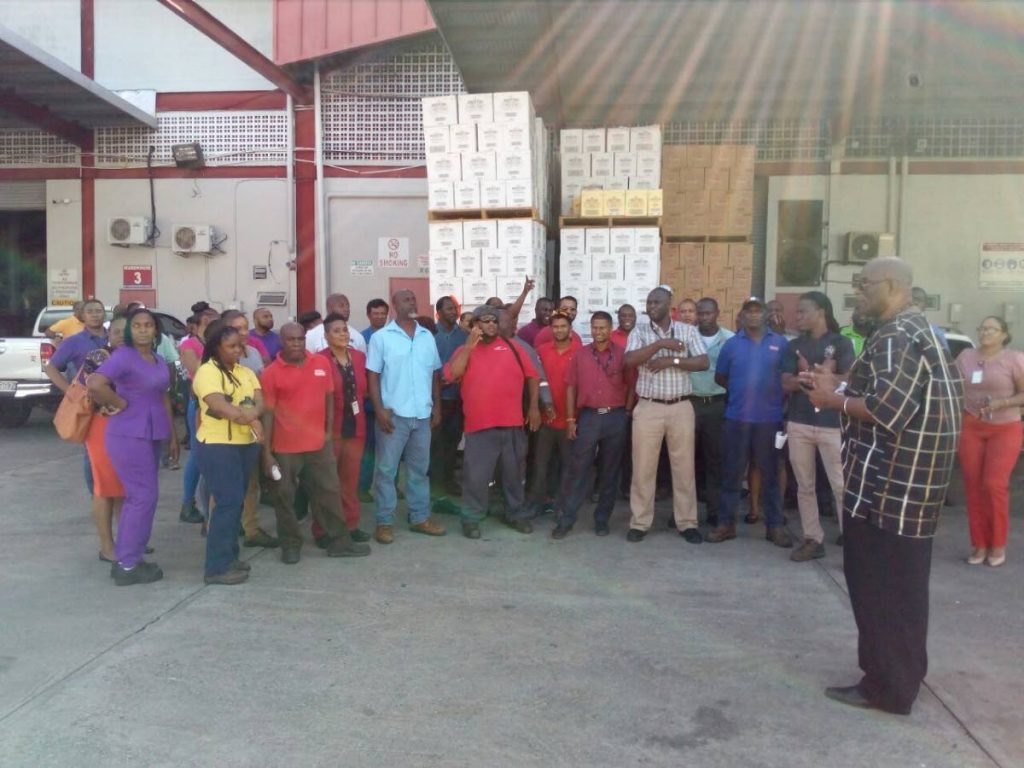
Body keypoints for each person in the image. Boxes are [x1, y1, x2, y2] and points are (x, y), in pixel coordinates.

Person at [805, 256, 963, 716]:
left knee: (880, 591)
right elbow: (884, 392)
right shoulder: (922, 332)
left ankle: (887, 687)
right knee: (904, 592)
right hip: (913, 489)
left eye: (863, 283)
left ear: (892, 286)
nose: (858, 292)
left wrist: (830, 399)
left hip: (887, 489)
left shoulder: (894, 336)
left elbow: (888, 411)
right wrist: (838, 382)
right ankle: (902, 675)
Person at [260, 323, 371, 563]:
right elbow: (267, 414)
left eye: (300, 339)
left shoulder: (320, 364)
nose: (297, 344)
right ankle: (290, 545)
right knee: (285, 498)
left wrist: (328, 432)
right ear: (282, 341)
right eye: (291, 340)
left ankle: (340, 542)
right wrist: (267, 453)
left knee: (330, 493)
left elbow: (329, 397)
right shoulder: (271, 373)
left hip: (318, 445)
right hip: (285, 448)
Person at [88, 308, 179, 585]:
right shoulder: (124, 356)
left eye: (148, 325)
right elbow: (95, 382)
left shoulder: (157, 358)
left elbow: (162, 395)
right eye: (137, 325)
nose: (142, 329)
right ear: (130, 330)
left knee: (140, 497)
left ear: (155, 330)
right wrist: (119, 403)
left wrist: (173, 435)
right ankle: (127, 563)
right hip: (128, 433)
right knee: (142, 496)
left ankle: (131, 556)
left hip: (152, 432)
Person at [445, 305, 541, 538]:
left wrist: (534, 407)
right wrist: (469, 346)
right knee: (476, 477)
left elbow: (532, 377)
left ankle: (514, 514)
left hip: (512, 425)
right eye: (485, 321)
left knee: (513, 475)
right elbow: (452, 375)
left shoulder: (513, 347)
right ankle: (471, 517)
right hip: (480, 427)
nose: (491, 325)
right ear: (475, 325)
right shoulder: (464, 350)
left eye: (494, 321)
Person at [624, 287, 709, 542]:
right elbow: (628, 361)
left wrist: (671, 361)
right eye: (649, 301)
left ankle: (687, 522)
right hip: (649, 406)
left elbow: (703, 362)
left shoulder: (687, 330)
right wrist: (660, 344)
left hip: (681, 407)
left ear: (669, 304)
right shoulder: (639, 331)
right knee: (643, 468)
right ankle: (640, 522)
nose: (652, 305)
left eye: (657, 301)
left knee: (684, 468)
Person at [708, 297, 791, 547]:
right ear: (742, 316)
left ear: (765, 314)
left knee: (771, 476)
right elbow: (722, 377)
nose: (753, 315)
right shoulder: (731, 345)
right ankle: (726, 524)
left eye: (758, 311)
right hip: (737, 419)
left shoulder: (781, 343)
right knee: (731, 474)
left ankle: (774, 526)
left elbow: (787, 379)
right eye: (749, 311)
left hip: (769, 420)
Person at [366, 290, 445, 544]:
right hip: (394, 416)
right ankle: (384, 522)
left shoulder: (426, 337)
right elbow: (373, 376)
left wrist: (437, 407)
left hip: (422, 415)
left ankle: (420, 517)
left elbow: (434, 373)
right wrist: (379, 410)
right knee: (387, 472)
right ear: (394, 305)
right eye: (405, 300)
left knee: (419, 471)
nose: (411, 302)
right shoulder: (381, 338)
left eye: (413, 299)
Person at [781, 292, 855, 561]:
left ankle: (855, 539)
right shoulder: (793, 346)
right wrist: (813, 377)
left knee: (840, 484)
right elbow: (785, 382)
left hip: (832, 423)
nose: (797, 316)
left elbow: (849, 380)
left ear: (821, 312)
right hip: (799, 422)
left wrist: (824, 376)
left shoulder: (841, 343)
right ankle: (813, 539)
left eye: (803, 311)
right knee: (804, 485)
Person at [192, 321, 264, 585]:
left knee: (237, 502)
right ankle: (216, 567)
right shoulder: (207, 372)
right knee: (227, 502)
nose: (237, 350)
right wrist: (251, 419)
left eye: (239, 346)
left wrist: (253, 416)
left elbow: (259, 400)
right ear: (216, 348)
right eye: (231, 346)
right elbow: (220, 406)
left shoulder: (245, 372)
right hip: (217, 445)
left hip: (245, 444)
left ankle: (230, 556)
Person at [552, 311, 632, 538]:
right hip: (588, 418)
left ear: (610, 328)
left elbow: (631, 384)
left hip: (615, 418)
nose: (598, 332)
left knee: (610, 471)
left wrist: (626, 412)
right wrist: (570, 419)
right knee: (578, 470)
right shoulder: (581, 355)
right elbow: (570, 387)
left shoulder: (622, 355)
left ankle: (601, 519)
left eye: (603, 328)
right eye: (595, 328)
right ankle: (566, 519)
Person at [955, 316, 1024, 568]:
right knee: (973, 486)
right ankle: (979, 544)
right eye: (982, 328)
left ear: (1004, 335)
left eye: (991, 329)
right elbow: (953, 387)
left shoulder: (1015, 359)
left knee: (993, 484)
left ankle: (997, 544)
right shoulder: (966, 356)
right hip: (971, 425)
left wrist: (1002, 403)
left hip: (1005, 427)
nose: (985, 332)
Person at [221, 310, 278, 548]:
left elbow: (260, 389)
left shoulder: (253, 353)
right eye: (238, 328)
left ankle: (251, 528)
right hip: (226, 430)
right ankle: (223, 531)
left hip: (253, 426)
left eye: (245, 328)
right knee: (224, 486)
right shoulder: (217, 359)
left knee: (251, 482)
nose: (244, 333)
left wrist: (257, 416)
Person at [315, 313, 372, 544]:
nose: (343, 334)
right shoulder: (319, 360)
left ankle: (350, 525)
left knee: (350, 481)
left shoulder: (359, 357)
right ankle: (322, 530)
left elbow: (365, 389)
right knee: (327, 483)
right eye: (337, 330)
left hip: (355, 428)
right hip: (331, 429)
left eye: (345, 330)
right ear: (327, 336)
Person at [45, 298, 109, 495]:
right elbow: (51, 368)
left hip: (115, 400)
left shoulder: (114, 338)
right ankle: (97, 495)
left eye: (99, 311)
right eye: (91, 311)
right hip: (88, 402)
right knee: (91, 452)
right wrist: (70, 391)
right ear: (82, 316)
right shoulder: (74, 341)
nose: (96, 314)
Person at [82, 316, 126, 563]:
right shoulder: (99, 356)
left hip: (127, 426)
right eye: (116, 331)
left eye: (124, 332)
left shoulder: (137, 357)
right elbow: (97, 392)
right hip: (103, 426)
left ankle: (127, 539)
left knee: (122, 487)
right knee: (104, 487)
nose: (120, 336)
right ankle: (107, 547)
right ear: (108, 334)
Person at [530, 312, 579, 517]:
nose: (559, 330)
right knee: (541, 466)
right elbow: (536, 380)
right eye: (555, 327)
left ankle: (564, 508)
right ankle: (537, 504)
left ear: (571, 329)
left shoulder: (580, 352)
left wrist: (573, 419)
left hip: (570, 419)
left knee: (569, 467)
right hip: (546, 419)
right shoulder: (541, 350)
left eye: (563, 326)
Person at [690, 298, 734, 529]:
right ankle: (686, 514)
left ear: (717, 313)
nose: (705, 317)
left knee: (715, 460)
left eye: (709, 313)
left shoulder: (730, 339)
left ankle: (715, 511)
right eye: (701, 313)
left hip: (717, 404)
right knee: (687, 461)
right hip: (691, 403)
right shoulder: (687, 336)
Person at [178, 305, 220, 525]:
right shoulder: (189, 345)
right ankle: (188, 503)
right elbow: (198, 372)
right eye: (209, 320)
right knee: (197, 453)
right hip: (200, 402)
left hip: (217, 402)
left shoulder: (214, 344)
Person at [431, 296, 468, 501]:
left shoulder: (463, 335)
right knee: (436, 443)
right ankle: (436, 483)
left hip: (457, 397)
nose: (454, 312)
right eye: (449, 308)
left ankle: (448, 480)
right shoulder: (430, 335)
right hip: (437, 399)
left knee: (453, 441)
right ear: (439, 312)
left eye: (455, 308)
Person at [358, 298, 390, 500]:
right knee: (368, 449)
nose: (379, 317)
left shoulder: (394, 337)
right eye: (375, 313)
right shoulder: (362, 339)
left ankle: (391, 487)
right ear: (368, 315)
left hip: (391, 403)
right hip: (369, 405)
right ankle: (362, 488)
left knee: (391, 450)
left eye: (382, 314)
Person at [911, 287, 950, 353]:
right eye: (912, 299)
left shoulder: (935, 333)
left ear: (925, 305)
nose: (915, 302)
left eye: (919, 300)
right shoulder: (897, 330)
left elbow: (945, 359)